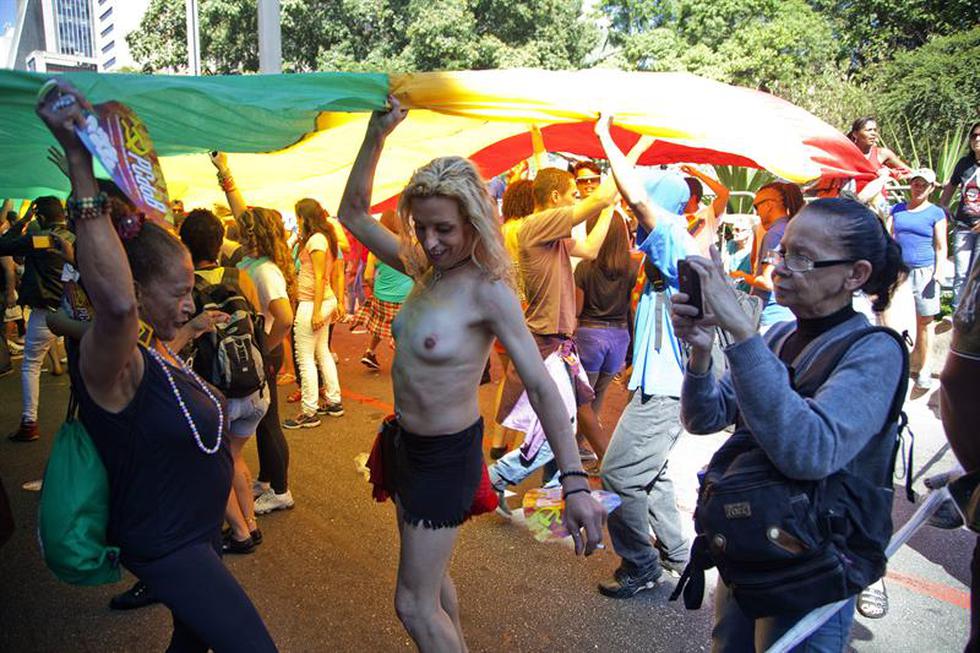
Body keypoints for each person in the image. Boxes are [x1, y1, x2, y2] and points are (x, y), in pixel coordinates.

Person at [339, 96, 605, 652]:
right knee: (434, 586)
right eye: (422, 227)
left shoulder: (489, 290)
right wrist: (376, 133)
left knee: (412, 603)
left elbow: (542, 385)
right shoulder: (421, 267)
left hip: (445, 458)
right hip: (406, 445)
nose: (431, 242)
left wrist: (576, 481)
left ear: (473, 221)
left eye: (444, 229)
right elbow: (354, 215)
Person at [37, 81, 276, 651]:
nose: (191, 301)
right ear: (136, 291)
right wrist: (79, 165)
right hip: (168, 545)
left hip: (196, 534)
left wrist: (189, 328)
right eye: (180, 292)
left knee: (189, 647)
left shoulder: (154, 348)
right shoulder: (110, 361)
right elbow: (112, 305)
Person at [671, 197, 906, 651]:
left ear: (854, 275)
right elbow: (705, 417)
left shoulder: (875, 351)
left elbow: (810, 450)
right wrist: (702, 352)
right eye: (783, 252)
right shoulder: (779, 336)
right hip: (753, 540)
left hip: (812, 560)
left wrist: (741, 333)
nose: (780, 267)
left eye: (803, 258)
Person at [593, 116, 697, 596]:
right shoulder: (670, 244)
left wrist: (606, 139)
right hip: (662, 386)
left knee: (617, 475)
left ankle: (640, 564)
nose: (634, 217)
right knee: (648, 474)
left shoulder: (673, 236)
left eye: (641, 209)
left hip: (668, 391)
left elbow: (634, 195)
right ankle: (678, 555)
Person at [178, 209, 269, 553]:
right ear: (220, 242)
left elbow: (185, 336)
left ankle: (240, 533)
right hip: (254, 387)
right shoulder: (239, 276)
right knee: (235, 457)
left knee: (214, 464)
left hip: (218, 391)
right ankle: (252, 524)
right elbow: (257, 320)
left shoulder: (187, 285)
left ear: (185, 243)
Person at [235, 207, 298, 515]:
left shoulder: (265, 271)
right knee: (260, 418)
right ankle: (266, 478)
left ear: (254, 234)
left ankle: (281, 491)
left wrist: (264, 348)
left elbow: (286, 317)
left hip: (266, 351)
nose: (238, 229)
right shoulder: (253, 263)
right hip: (261, 349)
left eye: (244, 227)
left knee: (269, 420)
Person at [0, 196, 74, 441]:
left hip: (45, 313)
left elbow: (3, 245)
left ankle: (29, 423)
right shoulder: (76, 236)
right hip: (79, 313)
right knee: (83, 366)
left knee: (31, 365)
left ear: (40, 217)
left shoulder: (40, 239)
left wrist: (22, 220)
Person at [283, 198, 344, 429]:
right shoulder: (320, 238)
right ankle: (334, 401)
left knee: (305, 358)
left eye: (298, 216)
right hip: (319, 301)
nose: (296, 220)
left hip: (313, 303)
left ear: (304, 217)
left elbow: (320, 276)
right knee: (321, 353)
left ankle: (309, 412)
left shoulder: (317, 239)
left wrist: (317, 311)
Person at [573, 210, 638, 419]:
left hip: (589, 336)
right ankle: (582, 446)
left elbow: (577, 309)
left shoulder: (585, 268)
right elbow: (631, 306)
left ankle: (572, 448)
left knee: (581, 399)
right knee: (599, 395)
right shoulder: (632, 268)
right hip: (619, 339)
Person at [889, 168, 947, 390]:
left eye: (924, 184)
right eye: (916, 183)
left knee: (925, 320)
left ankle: (925, 367)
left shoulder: (935, 213)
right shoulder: (898, 210)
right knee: (898, 320)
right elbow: (890, 239)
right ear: (910, 185)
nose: (919, 187)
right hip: (900, 272)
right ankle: (900, 366)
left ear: (931, 188)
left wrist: (938, 272)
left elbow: (941, 246)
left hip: (924, 271)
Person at [731, 182, 804, 331]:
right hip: (788, 313)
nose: (757, 213)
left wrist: (741, 276)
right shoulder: (792, 228)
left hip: (772, 318)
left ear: (769, 205)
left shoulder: (774, 235)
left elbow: (767, 282)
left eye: (757, 206)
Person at [351, 210, 414, 371]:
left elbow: (367, 277)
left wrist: (376, 290)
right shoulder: (408, 245)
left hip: (382, 297)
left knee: (381, 324)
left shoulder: (376, 249)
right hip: (404, 297)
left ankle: (369, 352)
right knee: (404, 328)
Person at [940, 121, 980, 310]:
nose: (977, 139)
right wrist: (943, 205)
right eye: (974, 136)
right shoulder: (964, 164)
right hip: (964, 227)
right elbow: (952, 185)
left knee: (977, 275)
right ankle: (957, 317)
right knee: (961, 274)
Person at [680, 163, 731, 255]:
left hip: (703, 267)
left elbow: (724, 193)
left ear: (692, 197)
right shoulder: (673, 215)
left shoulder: (708, 213)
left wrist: (697, 173)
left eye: (681, 194)